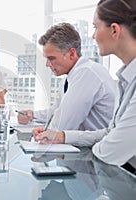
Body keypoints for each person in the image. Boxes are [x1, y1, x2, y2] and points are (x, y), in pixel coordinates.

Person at [34, 0, 136, 172]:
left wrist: (67, 137)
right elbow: (108, 134)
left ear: (114, 30)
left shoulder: (87, 73)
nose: (93, 36)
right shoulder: (125, 78)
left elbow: (110, 151)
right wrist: (62, 136)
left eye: (95, 27)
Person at [17, 23, 116, 132]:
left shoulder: (86, 73)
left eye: (51, 58)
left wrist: (45, 131)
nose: (47, 64)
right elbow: (57, 111)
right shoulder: (69, 77)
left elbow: (63, 125)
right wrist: (32, 115)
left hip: (100, 145)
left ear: (71, 54)